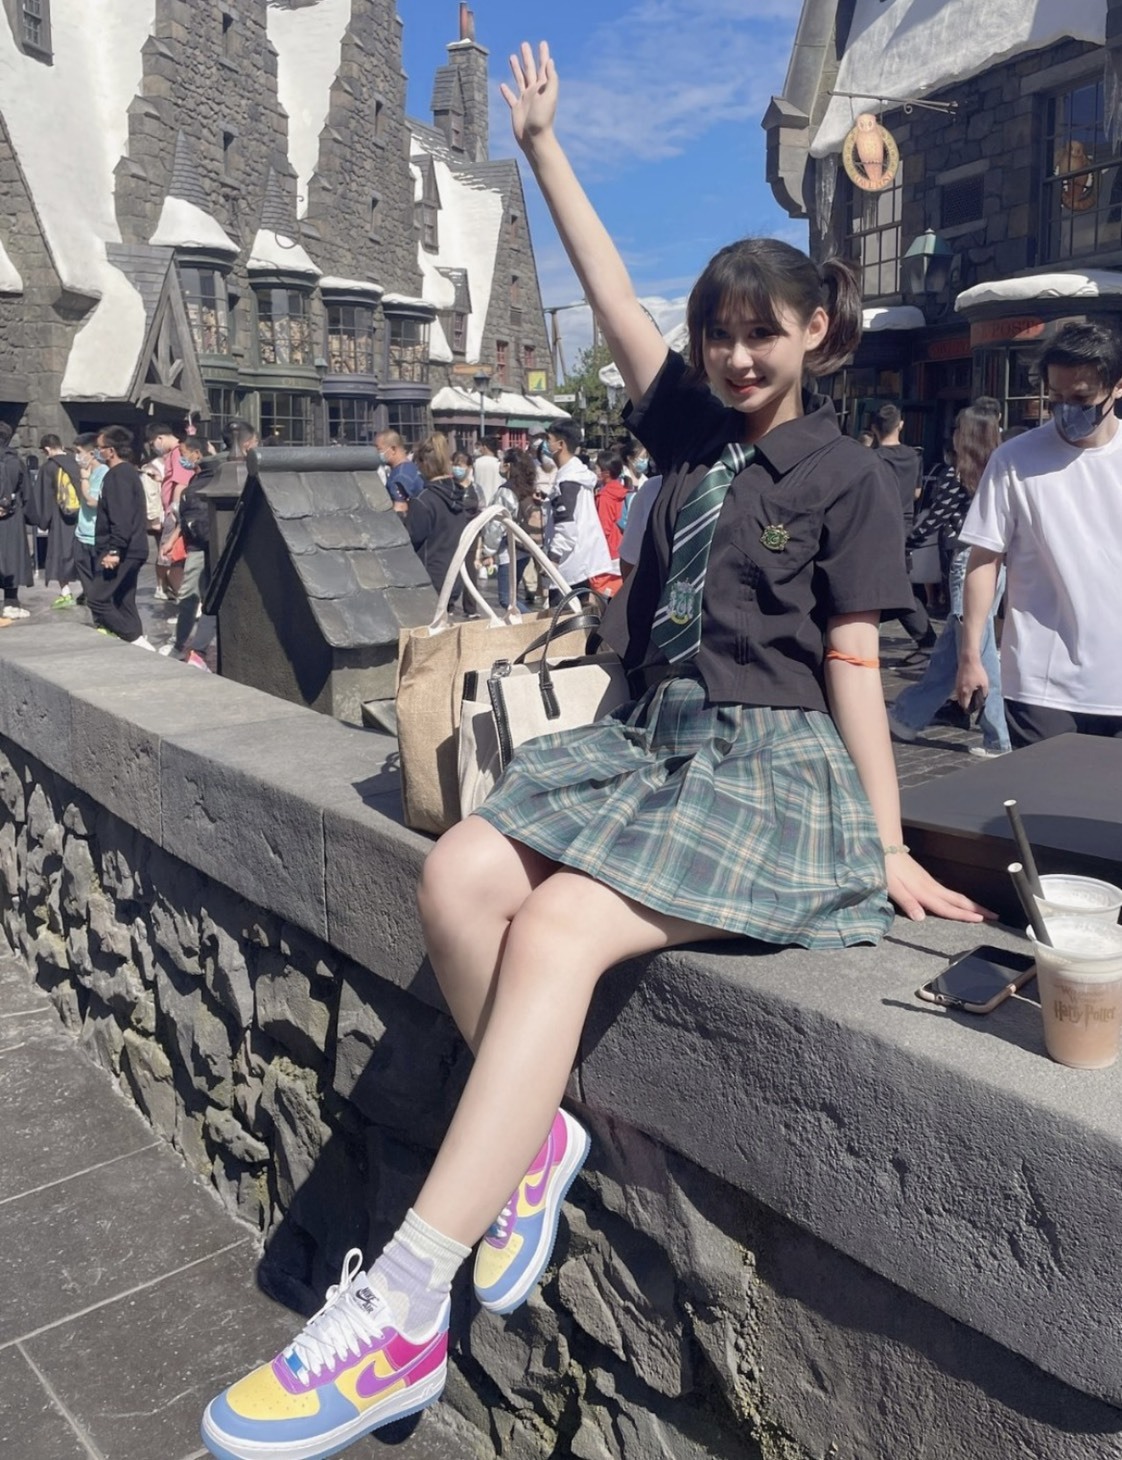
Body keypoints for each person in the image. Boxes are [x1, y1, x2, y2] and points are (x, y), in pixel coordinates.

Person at [201, 40, 986, 1460]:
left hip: (768, 770)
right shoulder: (690, 426)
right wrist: (545, 149)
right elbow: (614, 298)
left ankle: (406, 1303)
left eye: (763, 332)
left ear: (817, 329)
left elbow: (855, 666)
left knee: (559, 923)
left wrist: (884, 843)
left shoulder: (849, 477)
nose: (735, 355)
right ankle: (534, 1143)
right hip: (646, 747)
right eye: (719, 332)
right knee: (458, 875)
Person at [955, 321, 1122, 746]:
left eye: (1081, 398)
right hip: (1040, 682)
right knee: (1046, 787)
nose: (1066, 410)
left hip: (1115, 679)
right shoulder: (1014, 459)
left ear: (1117, 388)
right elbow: (984, 558)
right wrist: (971, 652)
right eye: (1056, 399)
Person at [887, 407, 1011, 758]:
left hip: (967, 561)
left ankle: (998, 735)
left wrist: (906, 542)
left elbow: (936, 517)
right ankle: (908, 716)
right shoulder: (999, 469)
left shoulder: (958, 474)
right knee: (952, 650)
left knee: (978, 647)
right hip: (995, 561)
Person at [870, 403, 935, 661]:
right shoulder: (914, 456)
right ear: (901, 425)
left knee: (891, 584)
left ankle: (926, 639)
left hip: (876, 524)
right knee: (897, 581)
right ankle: (926, 640)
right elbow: (917, 492)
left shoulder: (872, 458)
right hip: (904, 522)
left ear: (874, 428)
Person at [87, 426, 153, 648]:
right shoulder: (126, 473)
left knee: (97, 599)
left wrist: (114, 550)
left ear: (111, 451)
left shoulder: (118, 476)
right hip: (132, 548)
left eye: (100, 448)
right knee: (124, 599)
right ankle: (138, 642)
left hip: (122, 550)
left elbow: (121, 516)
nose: (97, 452)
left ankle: (134, 639)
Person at [159, 436, 217, 661]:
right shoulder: (196, 479)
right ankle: (185, 644)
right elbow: (186, 519)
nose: (181, 458)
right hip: (196, 543)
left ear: (197, 454)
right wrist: (172, 540)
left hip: (202, 545)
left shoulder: (210, 477)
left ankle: (188, 646)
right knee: (191, 595)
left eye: (183, 453)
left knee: (194, 595)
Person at [541, 418, 611, 601]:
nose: (545, 445)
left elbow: (566, 525)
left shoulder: (568, 480)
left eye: (548, 440)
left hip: (568, 566)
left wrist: (553, 559)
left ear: (560, 445)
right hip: (581, 562)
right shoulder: (577, 475)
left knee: (563, 616)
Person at [404, 433, 468, 608]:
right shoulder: (459, 495)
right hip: (453, 577)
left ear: (424, 463)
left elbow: (411, 540)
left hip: (429, 579)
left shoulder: (423, 500)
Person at [36, 434, 83, 608]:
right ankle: (87, 592)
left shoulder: (49, 467)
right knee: (82, 554)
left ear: (47, 449)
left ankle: (66, 593)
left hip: (60, 518)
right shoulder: (77, 463)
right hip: (82, 517)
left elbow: (43, 497)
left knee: (61, 554)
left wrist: (43, 521)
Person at [0, 422, 33, 619]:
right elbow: (26, 492)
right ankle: (10, 603)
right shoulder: (15, 461)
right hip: (11, 516)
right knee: (11, 558)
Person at [72, 433, 108, 611]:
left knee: (99, 581)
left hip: (96, 535)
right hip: (81, 534)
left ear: (92, 453)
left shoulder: (103, 473)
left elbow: (92, 502)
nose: (76, 456)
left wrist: (85, 479)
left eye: (79, 452)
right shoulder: (85, 471)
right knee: (85, 578)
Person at [589, 448, 628, 597]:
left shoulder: (605, 496)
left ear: (605, 472)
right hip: (621, 545)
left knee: (600, 590)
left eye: (596, 468)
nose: (595, 471)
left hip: (607, 551)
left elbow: (603, 528)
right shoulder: (622, 491)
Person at [375, 430, 424, 513]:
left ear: (393, 449)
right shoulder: (411, 468)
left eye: (378, 449)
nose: (376, 453)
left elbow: (400, 509)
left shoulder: (399, 477)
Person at [471, 435, 503, 510]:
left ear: (485, 447)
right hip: (497, 504)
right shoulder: (499, 463)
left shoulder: (476, 463)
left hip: (480, 504)